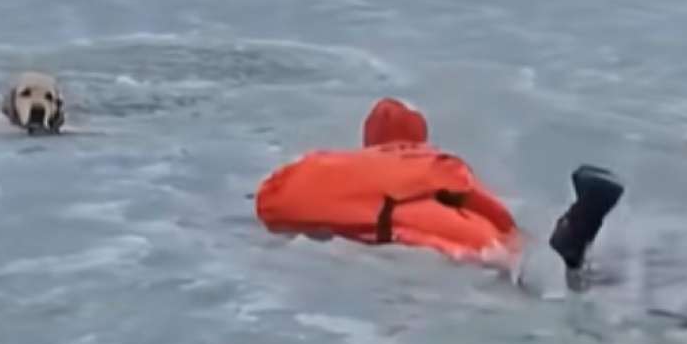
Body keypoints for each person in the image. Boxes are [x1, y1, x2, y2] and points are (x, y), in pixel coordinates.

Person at [255, 97, 624, 290]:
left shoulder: (327, 164)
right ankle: (573, 239)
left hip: (374, 226)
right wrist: (515, 234)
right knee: (514, 258)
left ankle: (566, 255)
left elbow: (273, 202)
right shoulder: (429, 160)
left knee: (506, 273)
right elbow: (486, 207)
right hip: (435, 223)